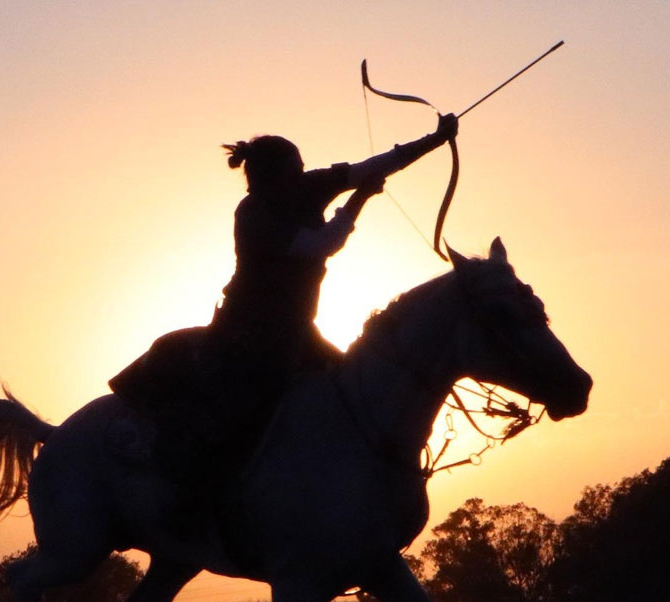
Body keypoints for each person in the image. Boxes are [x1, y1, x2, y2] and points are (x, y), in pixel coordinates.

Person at [110, 113, 458, 523]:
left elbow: (372, 166)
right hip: (249, 333)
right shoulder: (253, 214)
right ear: (273, 175)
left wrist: (435, 140)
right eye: (296, 167)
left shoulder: (305, 189)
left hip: (297, 332)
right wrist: (358, 201)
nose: (304, 173)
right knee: (244, 413)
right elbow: (320, 245)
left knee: (347, 398)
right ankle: (198, 500)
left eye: (301, 167)